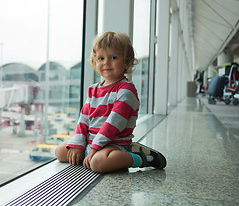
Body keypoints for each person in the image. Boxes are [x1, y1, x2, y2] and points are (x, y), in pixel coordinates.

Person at [55, 31, 166, 173]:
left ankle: (140, 157)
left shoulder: (126, 91)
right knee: (60, 152)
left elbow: (113, 125)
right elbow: (83, 120)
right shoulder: (93, 89)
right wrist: (78, 144)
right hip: (91, 143)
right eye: (101, 58)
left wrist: (94, 148)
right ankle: (90, 153)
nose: (106, 62)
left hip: (113, 144)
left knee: (98, 164)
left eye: (113, 57)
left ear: (126, 62)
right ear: (95, 62)